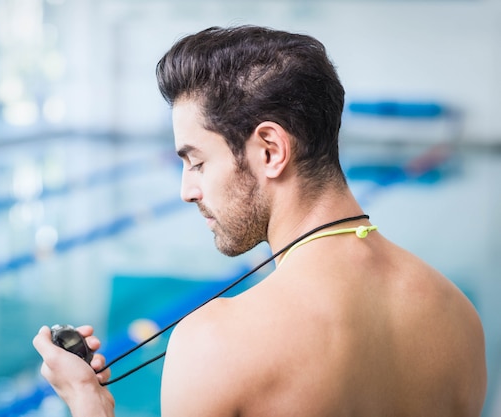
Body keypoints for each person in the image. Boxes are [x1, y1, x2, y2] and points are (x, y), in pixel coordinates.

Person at [33, 25, 487, 416]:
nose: (186, 191)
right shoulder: (458, 316)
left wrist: (87, 404)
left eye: (196, 162)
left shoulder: (215, 343)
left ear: (270, 150)